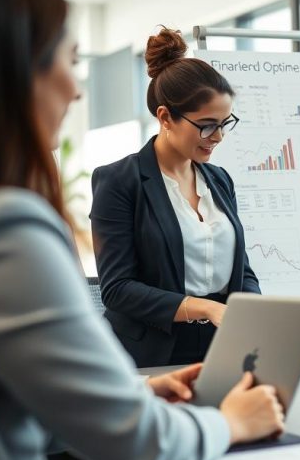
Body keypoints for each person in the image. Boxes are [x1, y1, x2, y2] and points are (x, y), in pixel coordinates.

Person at [0, 0, 284, 460]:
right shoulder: (7, 231)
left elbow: (4, 398)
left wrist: (135, 391)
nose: (77, 86)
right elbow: (136, 444)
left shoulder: (218, 182)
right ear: (13, 74)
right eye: (67, 60)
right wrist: (228, 424)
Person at [90, 27, 260, 368]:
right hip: (149, 354)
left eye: (225, 123)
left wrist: (254, 314)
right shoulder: (119, 181)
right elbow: (118, 289)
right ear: (165, 117)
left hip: (221, 348)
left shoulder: (219, 180)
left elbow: (241, 269)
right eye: (207, 125)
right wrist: (206, 308)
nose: (219, 137)